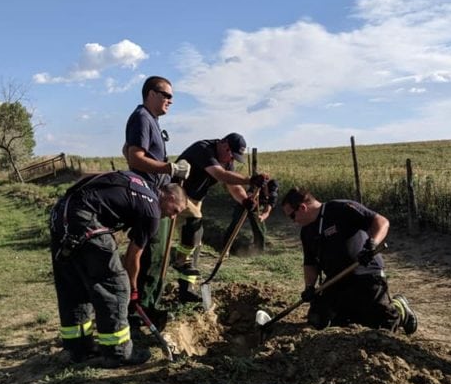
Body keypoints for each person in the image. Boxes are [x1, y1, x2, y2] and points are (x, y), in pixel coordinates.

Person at [49, 170, 187, 366]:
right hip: (86, 220)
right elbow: (133, 256)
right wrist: (132, 288)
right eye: (176, 211)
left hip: (60, 215)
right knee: (115, 286)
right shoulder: (153, 211)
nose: (173, 217)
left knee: (74, 287)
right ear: (170, 197)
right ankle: (118, 353)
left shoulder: (138, 181)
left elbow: (91, 176)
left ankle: (78, 349)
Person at [279, 187, 418, 334]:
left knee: (381, 326)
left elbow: (381, 221)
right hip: (337, 279)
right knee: (318, 320)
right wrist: (309, 288)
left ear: (302, 207)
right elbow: (310, 263)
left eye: (292, 216)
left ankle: (399, 308)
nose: (293, 222)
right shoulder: (307, 232)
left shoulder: (342, 208)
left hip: (365, 272)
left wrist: (372, 245)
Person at [170, 133, 273, 302]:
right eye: (231, 154)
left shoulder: (227, 159)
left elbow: (232, 185)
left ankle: (186, 289)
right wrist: (250, 180)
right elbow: (221, 175)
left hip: (196, 199)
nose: (231, 159)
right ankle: (180, 262)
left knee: (196, 243)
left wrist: (244, 200)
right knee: (194, 224)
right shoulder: (204, 150)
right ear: (224, 145)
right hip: (177, 194)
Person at [122, 76, 190, 319]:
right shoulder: (142, 118)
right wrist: (168, 168)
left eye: (172, 97)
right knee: (152, 255)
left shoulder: (151, 121)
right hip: (149, 199)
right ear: (151, 94)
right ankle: (142, 309)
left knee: (158, 255)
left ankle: (148, 306)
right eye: (166, 95)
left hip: (156, 196)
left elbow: (128, 150)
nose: (170, 101)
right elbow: (134, 158)